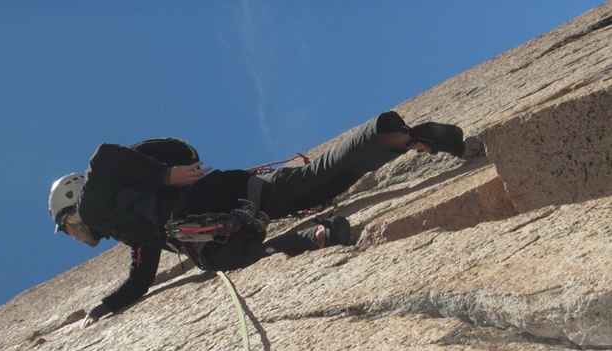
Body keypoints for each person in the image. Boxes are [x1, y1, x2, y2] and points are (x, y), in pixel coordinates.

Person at [47, 111, 465, 328]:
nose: (73, 234)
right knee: (316, 182)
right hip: (239, 195)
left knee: (212, 258)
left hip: (208, 212)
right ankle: (400, 136)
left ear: (70, 209)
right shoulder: (137, 234)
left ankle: (315, 237)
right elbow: (139, 279)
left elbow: (106, 157)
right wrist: (102, 307)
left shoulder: (95, 202)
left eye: (66, 227)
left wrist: (165, 175)